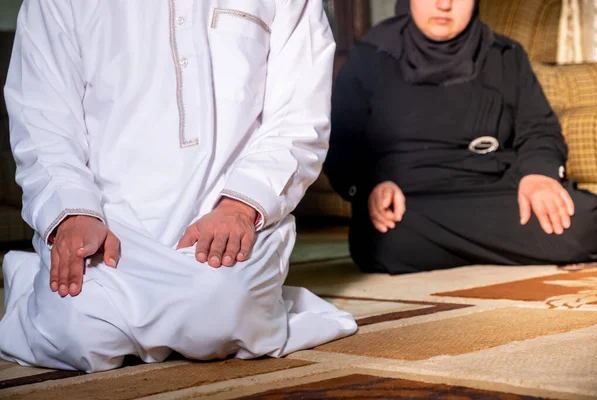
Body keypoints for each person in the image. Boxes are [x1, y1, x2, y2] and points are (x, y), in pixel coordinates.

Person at [0, 0, 357, 373]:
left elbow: (299, 117)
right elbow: (43, 117)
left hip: (223, 214)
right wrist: (74, 212)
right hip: (107, 221)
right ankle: (40, 286)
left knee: (219, 312)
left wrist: (240, 206)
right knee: (73, 334)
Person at [324, 0, 597, 274]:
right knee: (379, 238)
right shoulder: (371, 56)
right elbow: (341, 143)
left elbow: (540, 129)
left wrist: (538, 175)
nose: (444, 5)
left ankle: (452, 247)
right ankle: (504, 245)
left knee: (587, 221)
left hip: (495, 193)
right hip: (411, 202)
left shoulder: (505, 54)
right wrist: (372, 187)